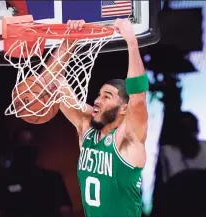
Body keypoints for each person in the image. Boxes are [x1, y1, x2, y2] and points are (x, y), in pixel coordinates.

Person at [44, 19, 148, 217]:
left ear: (124, 109)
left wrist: (132, 43)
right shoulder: (86, 129)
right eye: (99, 95)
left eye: (106, 96)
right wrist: (70, 40)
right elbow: (53, 80)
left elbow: (139, 100)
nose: (97, 100)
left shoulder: (128, 139)